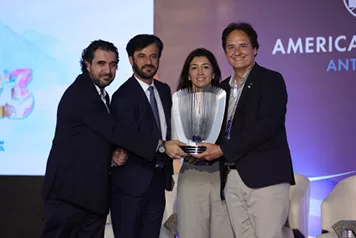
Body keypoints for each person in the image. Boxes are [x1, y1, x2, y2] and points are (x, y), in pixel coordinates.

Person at [40, 39, 183, 238]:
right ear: (87, 65)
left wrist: (111, 154)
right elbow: (115, 131)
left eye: (113, 65)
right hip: (69, 196)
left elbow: (94, 138)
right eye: (101, 64)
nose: (108, 70)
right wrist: (160, 146)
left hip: (91, 197)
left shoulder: (102, 96)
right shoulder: (82, 94)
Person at [194, 22, 296, 238]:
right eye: (230, 47)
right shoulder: (220, 89)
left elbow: (267, 126)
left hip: (266, 177)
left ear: (255, 49)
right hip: (231, 177)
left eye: (243, 46)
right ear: (225, 52)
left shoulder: (271, 80)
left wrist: (222, 149)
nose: (237, 52)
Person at [109, 34, 186, 238]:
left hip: (157, 183)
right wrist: (162, 147)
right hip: (130, 186)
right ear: (131, 60)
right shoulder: (122, 96)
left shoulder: (163, 90)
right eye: (142, 56)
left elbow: (167, 130)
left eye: (153, 56)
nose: (148, 62)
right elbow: (131, 138)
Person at [172, 48, 234, 238]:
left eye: (205, 67)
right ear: (188, 74)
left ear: (213, 72)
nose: (200, 72)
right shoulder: (176, 103)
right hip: (191, 175)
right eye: (194, 67)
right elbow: (174, 141)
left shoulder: (228, 101)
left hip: (222, 176)